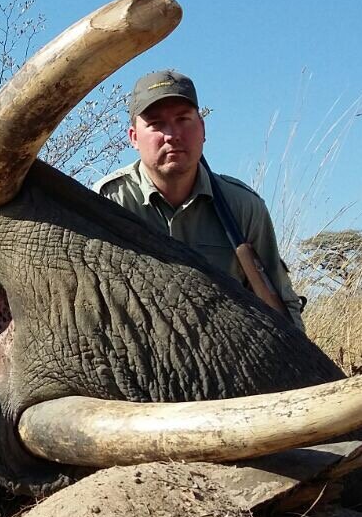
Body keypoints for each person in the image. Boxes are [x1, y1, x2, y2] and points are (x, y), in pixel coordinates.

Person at [94, 69, 305, 330]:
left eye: (183, 119)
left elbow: (282, 302)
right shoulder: (107, 201)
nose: (172, 135)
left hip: (230, 349)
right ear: (134, 138)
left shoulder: (243, 206)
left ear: (202, 128)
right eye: (156, 124)